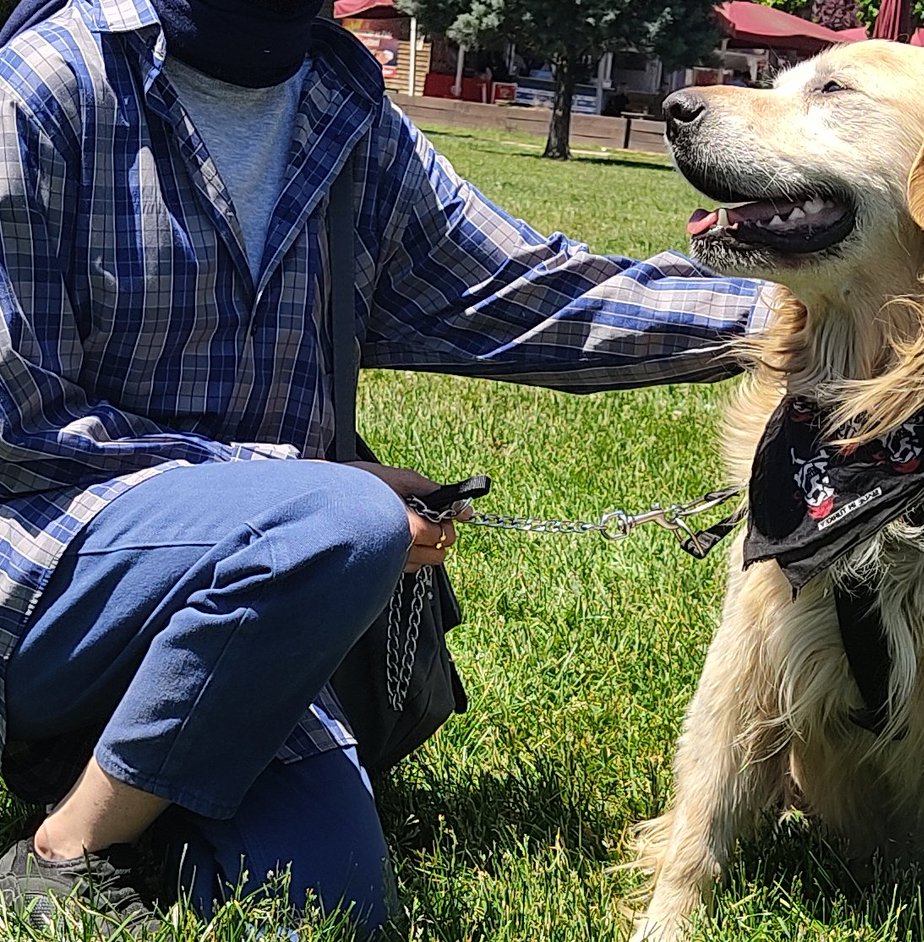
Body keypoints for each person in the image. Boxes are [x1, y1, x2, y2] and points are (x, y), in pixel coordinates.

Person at [0, 0, 770, 935]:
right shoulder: (44, 88)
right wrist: (303, 489)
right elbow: (21, 427)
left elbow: (528, 294)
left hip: (261, 619)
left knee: (328, 907)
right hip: (54, 590)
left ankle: (145, 768)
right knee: (337, 522)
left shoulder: (345, 108)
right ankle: (68, 846)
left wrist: (781, 319)